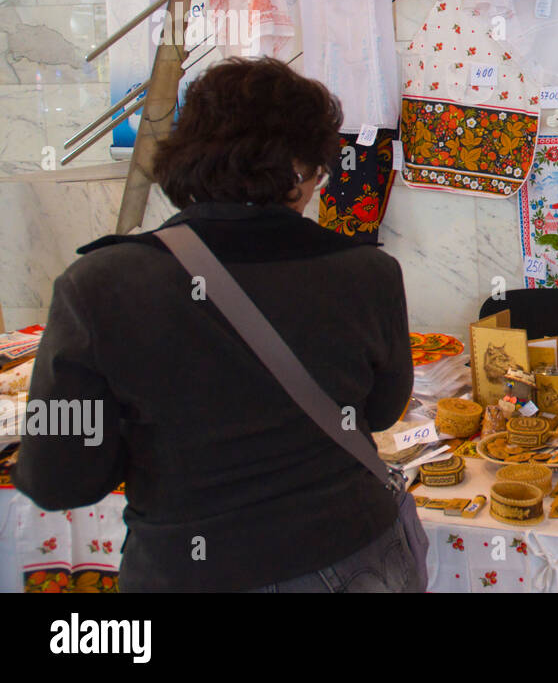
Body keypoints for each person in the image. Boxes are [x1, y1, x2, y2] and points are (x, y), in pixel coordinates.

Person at [14, 58, 418, 593]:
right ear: (301, 169)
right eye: (320, 171)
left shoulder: (99, 286)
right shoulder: (369, 272)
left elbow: (59, 478)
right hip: (354, 556)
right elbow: (383, 410)